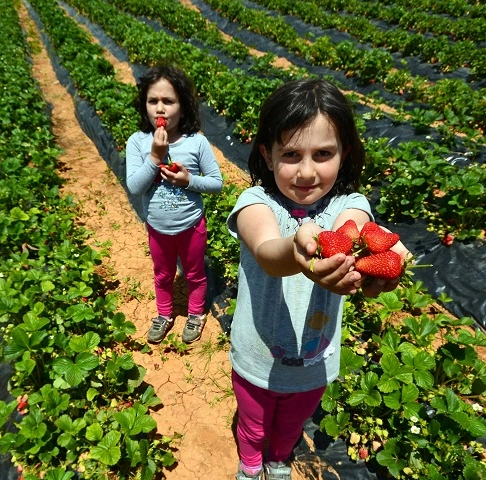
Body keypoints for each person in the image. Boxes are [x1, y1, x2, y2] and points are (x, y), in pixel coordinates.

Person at [226, 78, 408, 480]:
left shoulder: (351, 206)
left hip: (315, 360)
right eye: (291, 154)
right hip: (257, 357)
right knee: (253, 422)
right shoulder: (255, 204)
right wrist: (297, 250)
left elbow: (354, 229)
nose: (307, 171)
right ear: (267, 156)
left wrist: (386, 259)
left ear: (344, 154)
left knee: (292, 423)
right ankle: (251, 463)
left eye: (323, 153)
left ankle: (277, 459)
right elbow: (267, 252)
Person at [126, 65, 223, 344]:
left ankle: (195, 314)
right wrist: (155, 157)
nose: (160, 108)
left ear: (183, 106)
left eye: (168, 101)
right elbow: (134, 187)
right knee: (163, 274)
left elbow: (216, 183)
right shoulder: (138, 143)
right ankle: (165, 314)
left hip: (191, 225)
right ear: (143, 104)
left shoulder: (197, 143)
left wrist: (188, 180)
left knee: (194, 273)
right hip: (157, 227)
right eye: (152, 101)